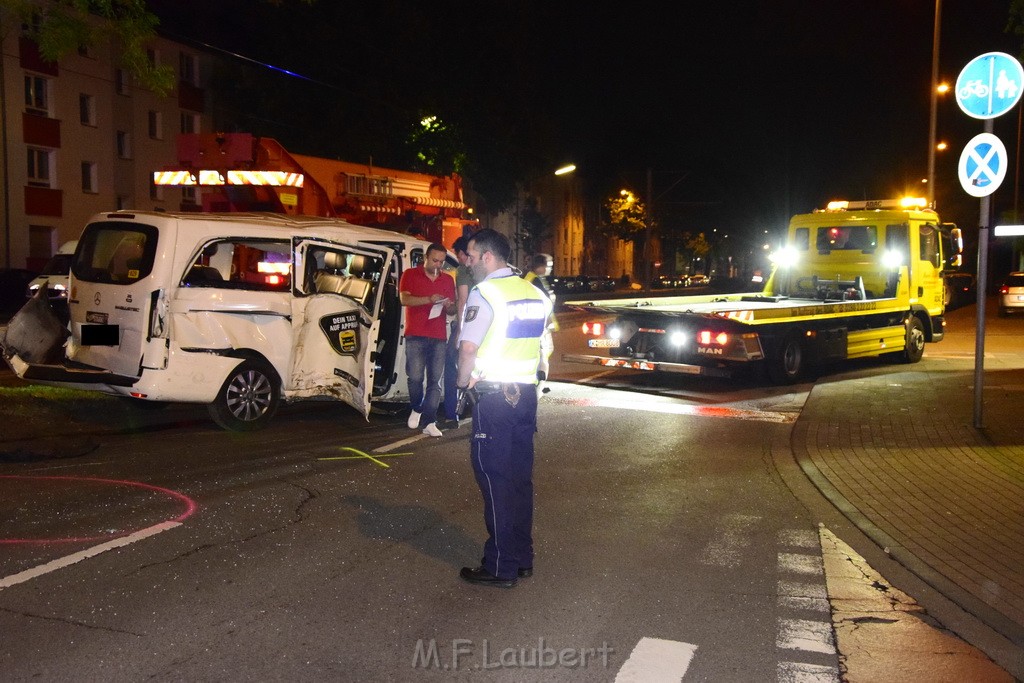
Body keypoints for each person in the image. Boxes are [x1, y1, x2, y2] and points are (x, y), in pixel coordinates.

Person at [456, 229, 553, 588]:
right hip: (525, 397)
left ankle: (500, 565)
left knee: (495, 481)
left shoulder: (486, 293)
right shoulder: (534, 292)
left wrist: (462, 382)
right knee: (518, 481)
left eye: (470, 254)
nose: (466, 261)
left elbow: (468, 349)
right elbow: (543, 343)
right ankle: (522, 556)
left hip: (495, 397)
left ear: (487, 257)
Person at [399, 242, 456, 437]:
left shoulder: (448, 280)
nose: (438, 265)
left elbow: (453, 310)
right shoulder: (410, 274)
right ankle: (417, 406)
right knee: (415, 377)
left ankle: (430, 421)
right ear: (426, 257)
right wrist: (428, 299)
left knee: (435, 381)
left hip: (438, 335)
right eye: (434, 260)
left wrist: (449, 306)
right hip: (415, 334)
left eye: (441, 261)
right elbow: (404, 299)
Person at [440, 236, 475, 430]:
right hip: (486, 327)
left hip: (467, 325)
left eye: (458, 254)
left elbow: (462, 301)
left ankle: (451, 414)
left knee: (452, 365)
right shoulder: (484, 270)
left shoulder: (462, 270)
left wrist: (461, 331)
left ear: (462, 254)